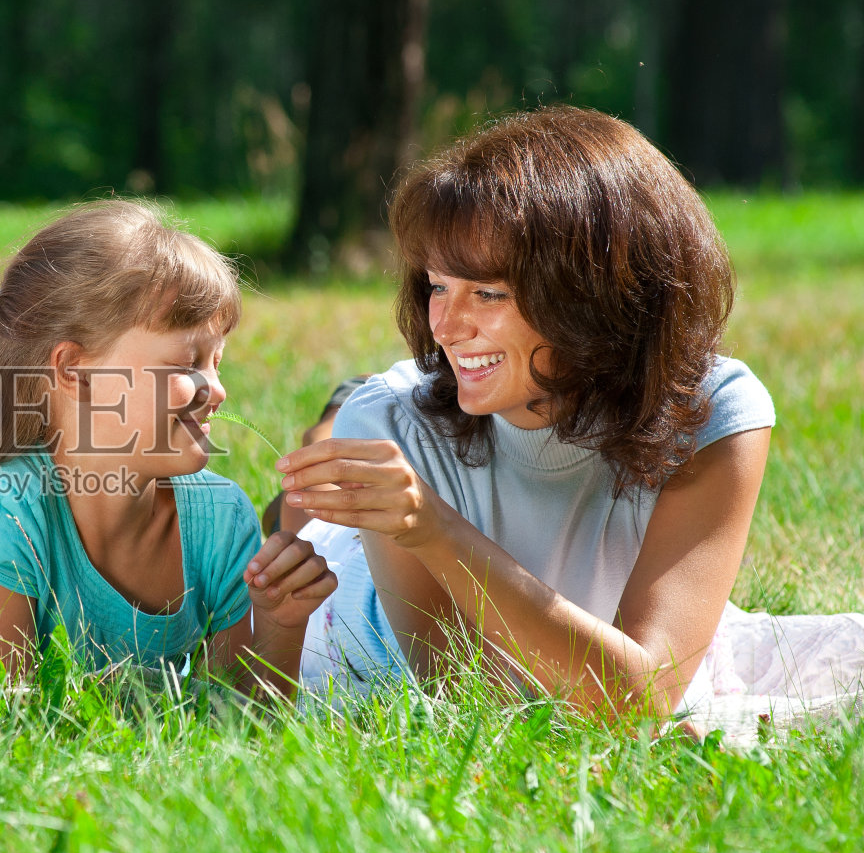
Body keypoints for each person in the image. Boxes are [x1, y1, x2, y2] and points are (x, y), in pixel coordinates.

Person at [281, 105, 864, 729]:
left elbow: (643, 699)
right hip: (358, 617)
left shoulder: (714, 413)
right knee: (310, 507)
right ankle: (330, 427)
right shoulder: (392, 427)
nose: (444, 326)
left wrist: (434, 527)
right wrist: (416, 524)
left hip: (539, 604)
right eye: (436, 287)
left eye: (489, 292)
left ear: (596, 294)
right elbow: (459, 694)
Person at [0, 201, 335, 698]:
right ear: (75, 370)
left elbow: (238, 730)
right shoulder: (7, 513)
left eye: (217, 362)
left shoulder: (221, 521)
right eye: (188, 362)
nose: (217, 389)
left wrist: (282, 624)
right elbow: (1, 728)